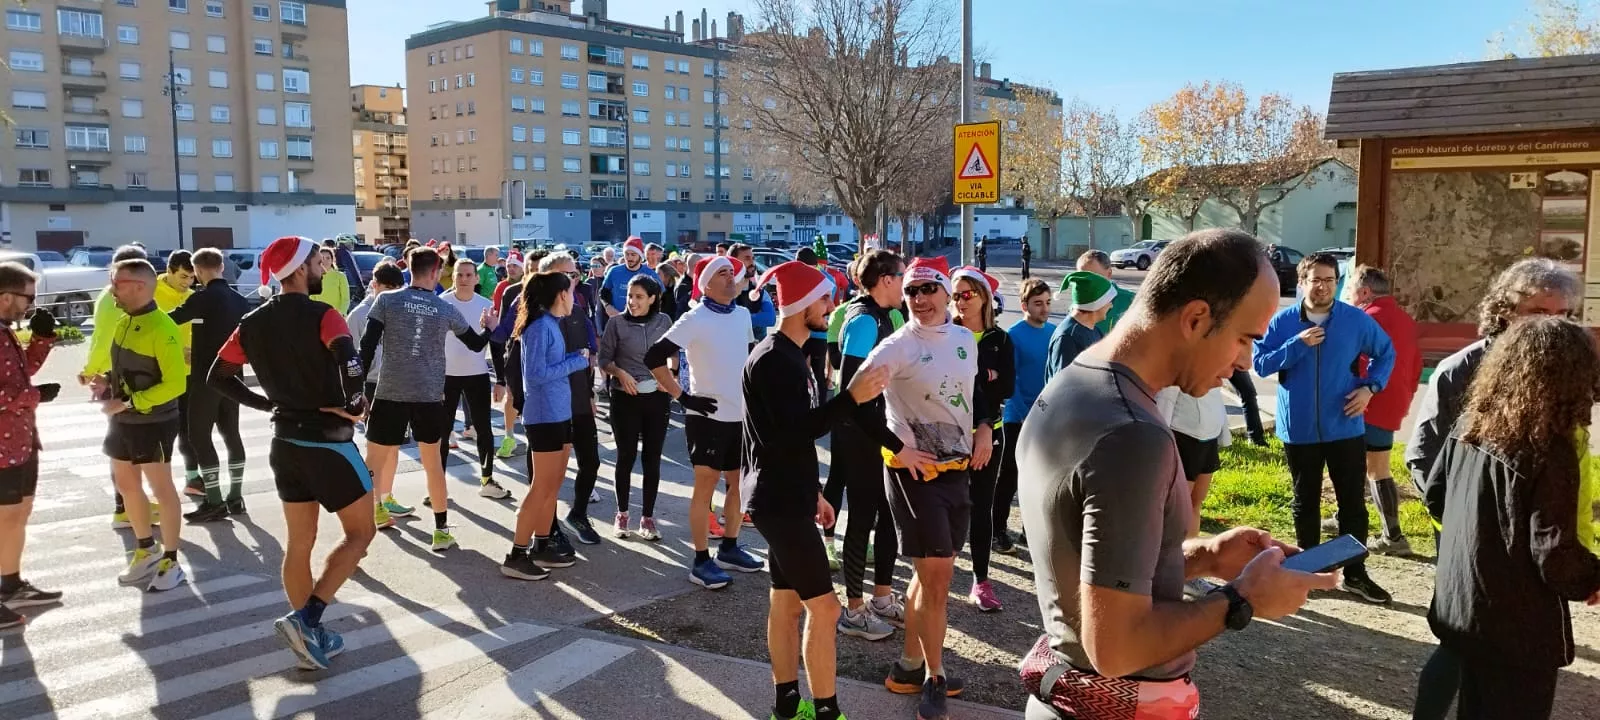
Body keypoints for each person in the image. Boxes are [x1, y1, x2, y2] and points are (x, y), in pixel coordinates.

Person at [1017, 229, 1336, 720]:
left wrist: (1205, 557)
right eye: (1245, 338)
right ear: (1195, 318)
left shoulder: (1077, 379)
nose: (1245, 361)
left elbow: (1090, 571)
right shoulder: (1133, 435)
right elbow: (1117, 648)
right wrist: (1242, 598)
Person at [1405, 257, 1582, 720]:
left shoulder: (1556, 393)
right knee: (1460, 646)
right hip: (1471, 537)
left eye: (1563, 315)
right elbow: (1427, 464)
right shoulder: (1460, 371)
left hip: (1517, 552)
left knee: (1481, 665)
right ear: (1506, 309)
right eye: (1540, 313)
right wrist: (1471, 521)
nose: (1552, 326)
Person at [207, 235, 377, 671]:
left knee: (299, 542)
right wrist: (356, 404)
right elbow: (350, 362)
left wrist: (269, 404)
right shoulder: (325, 314)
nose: (323, 268)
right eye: (319, 263)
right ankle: (308, 618)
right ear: (300, 270)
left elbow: (219, 376)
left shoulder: (251, 321)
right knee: (361, 533)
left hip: (284, 443)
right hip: (329, 443)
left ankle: (308, 640)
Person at [745, 261, 892, 720]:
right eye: (826, 300)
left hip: (788, 496)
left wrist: (815, 493)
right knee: (826, 611)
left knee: (787, 603)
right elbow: (793, 433)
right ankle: (827, 711)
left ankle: (787, 707)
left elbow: (786, 436)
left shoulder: (794, 353)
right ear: (803, 304)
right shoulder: (773, 359)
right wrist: (851, 398)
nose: (832, 307)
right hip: (778, 502)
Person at [849, 255, 984, 718]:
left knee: (931, 577)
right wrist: (898, 448)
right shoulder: (897, 346)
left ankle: (907, 666)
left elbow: (975, 396)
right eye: (911, 292)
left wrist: (985, 426)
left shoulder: (965, 338)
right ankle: (935, 675)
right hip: (913, 475)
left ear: (948, 294)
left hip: (957, 469)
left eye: (929, 290)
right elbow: (854, 399)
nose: (921, 299)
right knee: (939, 577)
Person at [1253, 251, 1396, 604]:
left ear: (1338, 282)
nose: (1323, 286)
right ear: (1302, 283)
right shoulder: (1283, 321)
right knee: (1306, 501)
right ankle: (1308, 573)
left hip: (1344, 424)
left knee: (1352, 503)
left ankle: (1355, 574)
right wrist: (1296, 345)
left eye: (1330, 280)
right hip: (1298, 427)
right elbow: (1260, 363)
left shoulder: (1354, 320)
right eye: (1315, 280)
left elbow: (1386, 352)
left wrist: (1370, 387)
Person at [357, 247, 496, 550]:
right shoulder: (445, 308)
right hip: (429, 396)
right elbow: (475, 345)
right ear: (436, 272)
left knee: (373, 462)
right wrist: (489, 329)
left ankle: (363, 525)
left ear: (408, 267)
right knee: (433, 464)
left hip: (389, 392)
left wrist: (355, 391)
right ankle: (441, 531)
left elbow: (366, 347)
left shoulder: (386, 300)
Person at [643, 254, 765, 589]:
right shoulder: (694, 318)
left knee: (738, 484)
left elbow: (751, 359)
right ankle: (700, 560)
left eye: (732, 272)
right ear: (706, 284)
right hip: (707, 417)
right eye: (722, 273)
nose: (731, 277)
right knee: (705, 486)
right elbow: (653, 357)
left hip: (740, 416)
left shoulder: (741, 315)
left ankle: (729, 547)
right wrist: (683, 397)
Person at [92, 259, 189, 591]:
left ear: (139, 286)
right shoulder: (122, 322)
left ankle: (171, 560)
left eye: (116, 282)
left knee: (161, 487)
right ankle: (146, 550)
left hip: (154, 421)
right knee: (126, 482)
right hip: (123, 420)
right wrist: (105, 382)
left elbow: (176, 383)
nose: (111, 289)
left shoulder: (163, 328)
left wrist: (132, 402)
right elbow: (121, 370)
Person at [833, 250, 907, 640]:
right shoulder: (863, 320)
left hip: (878, 431)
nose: (906, 282)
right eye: (901, 275)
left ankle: (881, 597)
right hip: (860, 435)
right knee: (862, 516)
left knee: (887, 515)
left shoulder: (886, 316)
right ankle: (854, 609)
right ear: (885, 280)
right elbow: (853, 395)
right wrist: (892, 441)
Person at [500, 270, 589, 581]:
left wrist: (571, 359)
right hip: (544, 416)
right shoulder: (539, 327)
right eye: (570, 292)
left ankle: (541, 545)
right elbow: (535, 375)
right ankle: (517, 554)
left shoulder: (551, 324)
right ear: (559, 295)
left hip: (558, 414)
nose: (574, 298)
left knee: (552, 485)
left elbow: (547, 367)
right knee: (541, 487)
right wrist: (576, 361)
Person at [1332, 265, 1421, 557]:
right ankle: (1341, 516)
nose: (1348, 295)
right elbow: (1417, 364)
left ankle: (1393, 535)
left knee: (1373, 468)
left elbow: (1352, 360)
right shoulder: (1405, 319)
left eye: (1351, 290)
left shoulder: (1364, 318)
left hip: (1368, 401)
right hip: (1393, 400)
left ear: (1365, 292)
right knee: (1359, 462)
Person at [168, 248, 249, 522]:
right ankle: (236, 497)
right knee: (231, 435)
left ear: (199, 271)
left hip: (205, 378)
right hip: (233, 376)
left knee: (199, 436)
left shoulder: (201, 298)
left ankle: (214, 500)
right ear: (222, 268)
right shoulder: (239, 300)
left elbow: (171, 319)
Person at [0, 264, 61, 629]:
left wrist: (42, 339)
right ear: (5, 296)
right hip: (3, 446)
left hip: (20, 442)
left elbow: (21, 373)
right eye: (28, 298)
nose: (31, 305)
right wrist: (34, 396)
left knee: (18, 514)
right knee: (4, 518)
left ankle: (10, 583)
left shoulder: (6, 332)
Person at [950, 266, 1013, 613]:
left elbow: (1007, 387)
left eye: (966, 294)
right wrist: (983, 374)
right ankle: (937, 574)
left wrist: (981, 378)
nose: (959, 301)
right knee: (949, 504)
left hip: (992, 433)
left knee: (981, 505)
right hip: (949, 433)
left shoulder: (1000, 340)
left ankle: (980, 580)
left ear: (984, 297)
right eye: (955, 295)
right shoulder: (944, 333)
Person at [81, 244, 155, 527]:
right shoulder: (122, 301)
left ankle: (127, 503)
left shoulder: (104, 296)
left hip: (111, 375)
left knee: (121, 445)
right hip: (124, 377)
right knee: (126, 446)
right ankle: (126, 506)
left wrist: (92, 372)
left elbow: (99, 338)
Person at [599, 275, 673, 539]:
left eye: (639, 297)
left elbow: (673, 353)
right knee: (626, 456)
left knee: (652, 459)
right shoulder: (616, 323)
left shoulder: (664, 321)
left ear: (652, 299)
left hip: (656, 399)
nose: (632, 302)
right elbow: (604, 359)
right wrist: (619, 373)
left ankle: (648, 518)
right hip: (624, 399)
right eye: (630, 296)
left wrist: (669, 376)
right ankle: (622, 514)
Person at [439, 259, 511, 501]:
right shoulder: (443, 303)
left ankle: (487, 479)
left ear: (477, 278)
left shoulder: (486, 305)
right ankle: (437, 485)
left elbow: (497, 346)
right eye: (460, 274)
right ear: (454, 277)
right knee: (442, 430)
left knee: (484, 429)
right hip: (446, 376)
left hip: (477, 374)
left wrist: (501, 380)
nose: (464, 279)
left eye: (469, 275)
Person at [546, 251, 603, 547]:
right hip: (551, 406)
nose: (573, 279)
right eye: (567, 274)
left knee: (591, 461)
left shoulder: (578, 310)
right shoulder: (536, 313)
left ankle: (578, 514)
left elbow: (587, 356)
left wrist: (590, 392)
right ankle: (548, 524)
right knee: (550, 472)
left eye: (574, 273)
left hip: (579, 400)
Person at [996, 278, 1053, 555]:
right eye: (1038, 304)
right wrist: (1021, 413)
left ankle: (1030, 532)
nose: (1044, 309)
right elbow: (1011, 379)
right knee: (1009, 476)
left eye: (1047, 303)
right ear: (1024, 306)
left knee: (1040, 479)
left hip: (1047, 417)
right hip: (1017, 417)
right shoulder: (1013, 335)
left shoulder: (1055, 332)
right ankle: (997, 530)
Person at [154, 252, 202, 500]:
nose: (187, 283)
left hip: (189, 373)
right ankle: (159, 485)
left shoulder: (193, 297)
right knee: (162, 431)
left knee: (189, 427)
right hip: (159, 375)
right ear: (169, 270)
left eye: (192, 278)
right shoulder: (152, 292)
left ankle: (193, 477)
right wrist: (175, 350)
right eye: (183, 276)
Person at [348, 262, 403, 403]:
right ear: (374, 285)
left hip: (400, 382)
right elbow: (351, 357)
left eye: (397, 289)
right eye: (388, 288)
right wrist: (356, 390)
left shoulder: (403, 312)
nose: (393, 294)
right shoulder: (358, 315)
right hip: (371, 383)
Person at [1044, 271, 1114, 380]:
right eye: (1108, 300)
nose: (1111, 305)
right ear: (1095, 304)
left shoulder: (1096, 331)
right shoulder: (1067, 338)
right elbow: (1063, 388)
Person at [490, 253, 525, 459]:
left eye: (515, 266)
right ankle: (509, 437)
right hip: (514, 351)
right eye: (509, 265)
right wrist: (500, 376)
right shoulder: (509, 291)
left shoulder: (549, 290)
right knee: (512, 396)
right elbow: (501, 331)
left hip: (538, 354)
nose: (511, 269)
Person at [1073, 250, 1137, 334]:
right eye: (1082, 277)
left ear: (1109, 273)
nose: (1088, 283)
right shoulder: (1077, 305)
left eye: (1095, 277)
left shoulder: (1132, 302)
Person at [601, 237, 662, 319]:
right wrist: (608, 306)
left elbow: (660, 297)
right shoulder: (614, 271)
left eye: (633, 254)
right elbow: (603, 292)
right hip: (618, 319)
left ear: (640, 256)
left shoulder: (651, 274)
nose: (629, 258)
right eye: (627, 254)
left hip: (642, 321)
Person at [732, 243, 778, 345]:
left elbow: (770, 319)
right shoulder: (725, 292)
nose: (752, 262)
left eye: (753, 258)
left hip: (756, 354)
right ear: (734, 262)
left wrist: (740, 318)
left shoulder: (760, 292)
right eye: (747, 258)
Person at [309, 247, 351, 315]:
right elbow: (312, 299)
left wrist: (340, 314)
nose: (325, 261)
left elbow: (345, 299)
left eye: (328, 258)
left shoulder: (340, 276)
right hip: (319, 317)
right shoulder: (314, 277)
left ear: (332, 260)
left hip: (336, 317)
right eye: (322, 258)